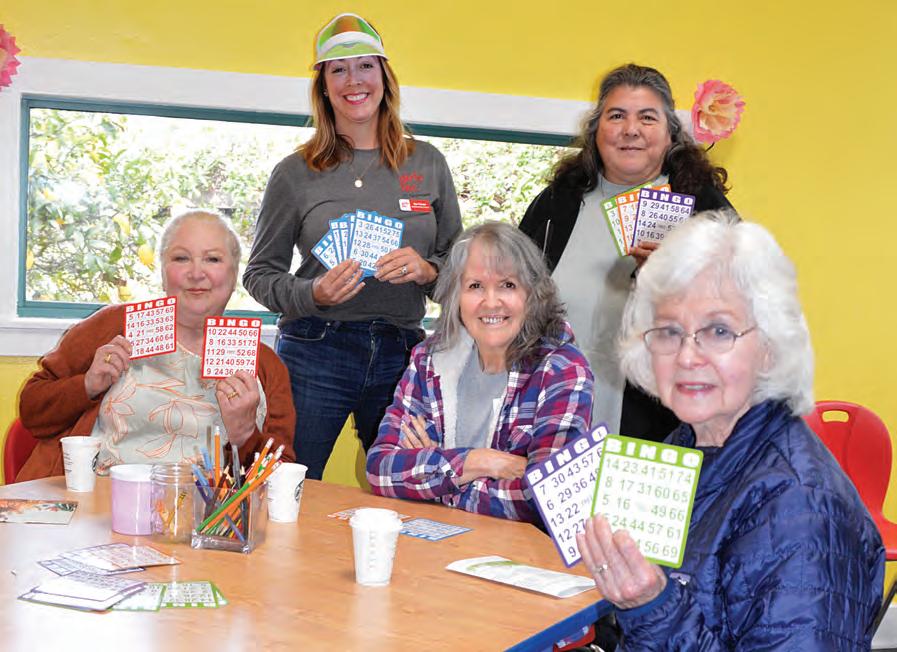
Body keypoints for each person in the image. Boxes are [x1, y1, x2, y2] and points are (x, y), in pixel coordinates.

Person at [577, 211, 884, 648]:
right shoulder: (687, 446)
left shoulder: (801, 508)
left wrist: (651, 605)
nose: (687, 356)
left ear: (771, 347)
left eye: (719, 330)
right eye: (669, 331)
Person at [243, 13, 462, 480]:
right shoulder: (294, 173)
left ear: (385, 76)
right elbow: (259, 274)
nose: (354, 80)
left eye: (365, 65)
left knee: (409, 483)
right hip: (314, 346)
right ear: (323, 85)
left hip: (403, 349)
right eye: (338, 70)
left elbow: (460, 271)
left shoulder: (428, 162)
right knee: (288, 484)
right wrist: (313, 293)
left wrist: (428, 271)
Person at [519, 63, 733, 442]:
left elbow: (741, 310)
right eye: (616, 115)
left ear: (670, 133)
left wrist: (672, 280)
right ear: (596, 129)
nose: (631, 129)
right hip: (553, 412)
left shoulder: (704, 205)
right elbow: (512, 290)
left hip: (659, 425)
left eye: (647, 117)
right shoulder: (558, 201)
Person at [17, 210, 296, 481]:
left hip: (206, 509)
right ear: (163, 272)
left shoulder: (264, 364)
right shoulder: (114, 327)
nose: (196, 273)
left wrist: (245, 435)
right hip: (99, 502)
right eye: (181, 258)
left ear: (234, 275)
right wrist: (88, 385)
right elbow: (32, 412)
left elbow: (282, 478)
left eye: (212, 259)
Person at [366, 222, 593, 523]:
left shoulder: (562, 369)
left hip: (519, 550)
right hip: (435, 542)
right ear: (455, 296)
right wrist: (480, 461)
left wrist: (440, 482)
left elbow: (547, 497)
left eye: (507, 285)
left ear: (533, 293)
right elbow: (380, 468)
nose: (491, 302)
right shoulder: (429, 359)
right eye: (475, 286)